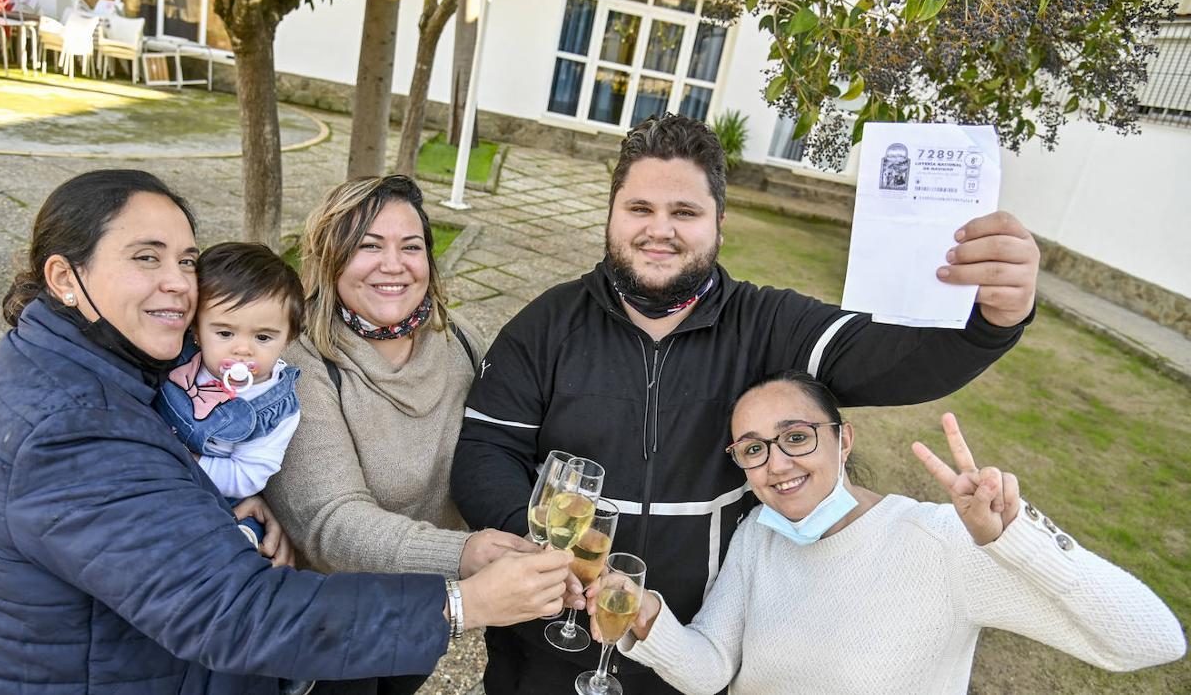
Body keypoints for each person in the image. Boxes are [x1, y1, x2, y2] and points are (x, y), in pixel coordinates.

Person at [450, 113, 1043, 694]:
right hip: (547, 638)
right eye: (640, 209)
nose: (661, 230)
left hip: (693, 643)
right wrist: (544, 552)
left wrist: (993, 319)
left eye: (685, 212)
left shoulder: (766, 323)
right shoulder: (545, 325)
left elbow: (893, 361)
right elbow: (485, 450)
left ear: (720, 222)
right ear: (612, 213)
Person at [0, 170, 574, 695]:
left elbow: (163, 470)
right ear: (63, 279)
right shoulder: (72, 425)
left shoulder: (95, 372)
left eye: (186, 261)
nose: (177, 284)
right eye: (145, 258)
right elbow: (237, 609)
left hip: (161, 654)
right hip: (323, 624)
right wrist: (465, 599)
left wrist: (208, 492)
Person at [602, 371, 1186, 693]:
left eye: (796, 437)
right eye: (754, 449)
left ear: (844, 439)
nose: (777, 463)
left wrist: (1017, 541)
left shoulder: (941, 542)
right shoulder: (761, 532)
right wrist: (647, 617)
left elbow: (1150, 641)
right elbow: (710, 671)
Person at [263, 175, 536, 695]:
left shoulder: (460, 343)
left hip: (429, 615)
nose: (393, 264)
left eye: (411, 247)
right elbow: (332, 523)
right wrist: (465, 554)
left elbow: (509, 445)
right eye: (368, 246)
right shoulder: (303, 364)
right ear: (330, 257)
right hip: (332, 635)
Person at [155, 241, 305, 549]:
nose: (242, 348)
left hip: (219, 494)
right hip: (156, 477)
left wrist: (188, 462)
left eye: (263, 337)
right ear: (196, 329)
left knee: (247, 529)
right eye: (224, 333)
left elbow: (248, 476)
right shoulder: (178, 357)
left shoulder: (277, 409)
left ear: (288, 338)